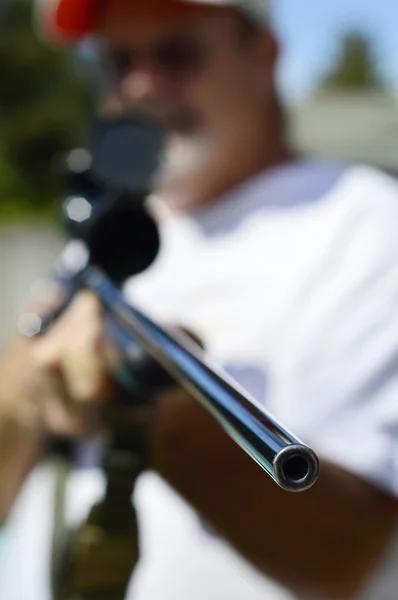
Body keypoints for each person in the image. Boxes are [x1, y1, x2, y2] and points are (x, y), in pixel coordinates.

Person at [1, 0, 398, 599]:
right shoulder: (109, 236)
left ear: (263, 57)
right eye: (117, 61)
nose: (140, 83)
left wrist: (159, 410)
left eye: (177, 54)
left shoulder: (368, 229)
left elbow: (347, 557)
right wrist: (27, 382)